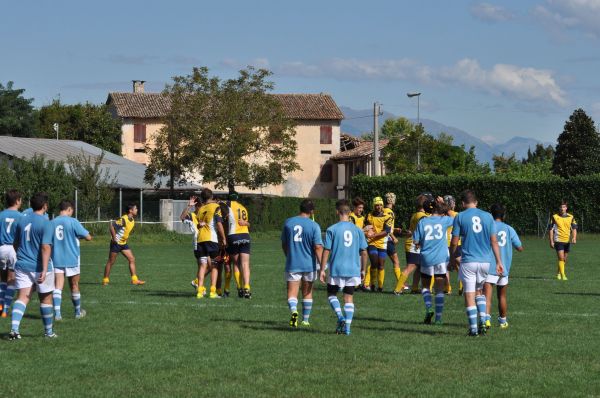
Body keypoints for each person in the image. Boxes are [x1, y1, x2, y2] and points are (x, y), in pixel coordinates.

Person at [450, 190, 503, 337]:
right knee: (480, 291)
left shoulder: (460, 216)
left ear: (462, 203)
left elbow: (454, 242)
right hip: (485, 261)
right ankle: (483, 320)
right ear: (476, 202)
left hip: (468, 261)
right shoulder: (487, 216)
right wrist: (498, 261)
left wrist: (452, 256)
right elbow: (494, 241)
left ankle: (473, 329)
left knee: (469, 294)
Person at [9, 192, 56, 340]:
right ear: (45, 206)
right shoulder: (46, 222)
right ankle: (48, 333)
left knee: (22, 297)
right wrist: (43, 269)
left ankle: (14, 329)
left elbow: (15, 243)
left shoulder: (21, 220)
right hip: (39, 267)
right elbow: (45, 247)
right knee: (46, 299)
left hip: (22, 264)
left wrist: (21, 257)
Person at [319, 199, 368, 335]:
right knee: (349, 298)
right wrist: (363, 270)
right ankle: (347, 327)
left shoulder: (331, 229)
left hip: (336, 269)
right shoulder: (358, 230)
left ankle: (340, 316)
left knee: (331, 294)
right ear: (349, 212)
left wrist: (322, 269)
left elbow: (326, 250)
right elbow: (364, 252)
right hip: (353, 269)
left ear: (337, 212)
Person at [281, 199, 323, 328]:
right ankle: (305, 320)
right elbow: (318, 247)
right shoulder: (314, 225)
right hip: (309, 264)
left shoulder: (288, 223)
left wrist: (289, 255)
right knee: (307, 292)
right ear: (312, 211)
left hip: (293, 262)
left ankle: (294, 312)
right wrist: (322, 266)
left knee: (292, 292)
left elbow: (284, 244)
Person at [413, 201, 454, 324]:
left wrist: (421, 243)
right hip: (441, 257)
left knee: (425, 287)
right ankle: (438, 318)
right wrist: (445, 207)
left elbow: (416, 241)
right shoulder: (444, 220)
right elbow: (456, 218)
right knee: (439, 289)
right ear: (439, 209)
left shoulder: (423, 221)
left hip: (427, 257)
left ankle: (429, 308)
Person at [484, 204, 523, 329]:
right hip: (504, 266)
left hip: (490, 266)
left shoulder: (487, 226)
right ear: (504, 215)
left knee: (487, 296)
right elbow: (519, 247)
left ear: (491, 214)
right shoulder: (508, 229)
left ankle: (486, 320)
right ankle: (502, 322)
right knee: (502, 295)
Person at [51, 200, 92, 320]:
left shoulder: (52, 222)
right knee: (74, 284)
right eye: (72, 211)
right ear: (69, 209)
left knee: (58, 286)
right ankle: (77, 312)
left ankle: (58, 314)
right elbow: (88, 237)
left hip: (57, 257)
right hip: (72, 257)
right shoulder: (73, 221)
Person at [396, 195, 432, 294]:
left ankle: (415, 288)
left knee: (418, 267)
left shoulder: (415, 214)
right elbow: (421, 231)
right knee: (410, 267)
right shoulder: (422, 216)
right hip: (414, 244)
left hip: (411, 243)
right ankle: (398, 289)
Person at [102, 203, 145, 286]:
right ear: (130, 210)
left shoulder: (132, 220)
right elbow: (112, 227)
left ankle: (134, 280)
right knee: (111, 262)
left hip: (123, 244)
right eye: (135, 208)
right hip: (116, 244)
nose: (137, 210)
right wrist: (114, 238)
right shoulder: (124, 219)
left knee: (132, 259)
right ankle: (105, 280)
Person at [195, 188, 226, 299]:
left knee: (202, 267)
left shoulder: (201, 209)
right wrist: (223, 238)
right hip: (211, 239)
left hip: (200, 240)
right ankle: (213, 292)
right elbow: (219, 224)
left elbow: (199, 225)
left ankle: (199, 291)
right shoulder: (215, 207)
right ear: (212, 196)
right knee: (215, 266)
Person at [0, 190, 22, 318]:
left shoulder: (1, 215)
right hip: (13, 249)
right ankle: (5, 310)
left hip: (1, 248)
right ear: (17, 201)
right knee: (12, 280)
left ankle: (0, 306)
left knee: (2, 279)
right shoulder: (20, 217)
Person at [225, 193, 252, 299]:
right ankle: (247, 287)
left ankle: (239, 288)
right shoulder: (243, 208)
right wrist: (247, 224)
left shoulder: (229, 204)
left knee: (236, 264)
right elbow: (247, 223)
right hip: (245, 235)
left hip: (234, 235)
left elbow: (218, 202)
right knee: (245, 263)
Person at [364, 197, 393, 292]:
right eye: (376, 205)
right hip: (371, 242)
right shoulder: (369, 215)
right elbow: (366, 226)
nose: (378, 207)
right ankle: (372, 285)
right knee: (374, 261)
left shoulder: (387, 216)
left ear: (382, 205)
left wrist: (374, 234)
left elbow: (387, 231)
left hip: (382, 242)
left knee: (381, 264)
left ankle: (380, 287)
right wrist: (367, 231)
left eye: (380, 205)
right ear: (374, 206)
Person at [548, 201, 577, 281]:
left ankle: (558, 273)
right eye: (561, 207)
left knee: (564, 259)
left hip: (567, 241)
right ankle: (563, 275)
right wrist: (551, 241)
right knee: (561, 258)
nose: (562, 208)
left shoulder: (571, 217)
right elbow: (550, 229)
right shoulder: (554, 217)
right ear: (559, 208)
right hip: (558, 240)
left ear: (566, 208)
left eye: (564, 207)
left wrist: (574, 237)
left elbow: (574, 228)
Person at [180, 195, 203, 290]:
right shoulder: (192, 215)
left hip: (208, 241)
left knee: (208, 266)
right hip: (198, 243)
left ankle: (197, 282)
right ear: (196, 206)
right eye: (200, 206)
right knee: (202, 265)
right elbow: (182, 217)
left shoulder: (206, 214)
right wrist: (189, 205)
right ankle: (199, 285)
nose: (202, 208)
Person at [383, 193, 404, 295]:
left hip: (382, 239)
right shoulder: (390, 212)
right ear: (392, 201)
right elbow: (386, 229)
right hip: (387, 239)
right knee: (396, 261)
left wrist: (395, 229)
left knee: (377, 263)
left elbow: (385, 226)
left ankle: (367, 282)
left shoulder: (383, 210)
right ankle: (401, 283)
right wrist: (393, 237)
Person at [444, 195, 462, 295]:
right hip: (456, 243)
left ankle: (448, 288)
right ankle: (461, 285)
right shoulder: (457, 214)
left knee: (446, 266)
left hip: (445, 243)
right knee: (460, 265)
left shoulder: (442, 215)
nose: (455, 204)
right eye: (453, 203)